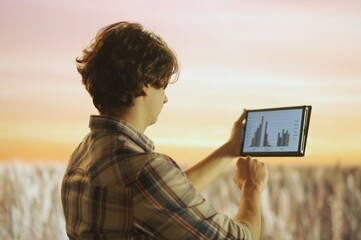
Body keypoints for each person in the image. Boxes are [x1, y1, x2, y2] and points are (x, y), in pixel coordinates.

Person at [61, 21, 268, 240]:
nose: (166, 98)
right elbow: (240, 237)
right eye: (163, 86)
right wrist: (252, 186)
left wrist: (229, 149)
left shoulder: (83, 155)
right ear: (145, 84)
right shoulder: (144, 171)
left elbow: (164, 198)